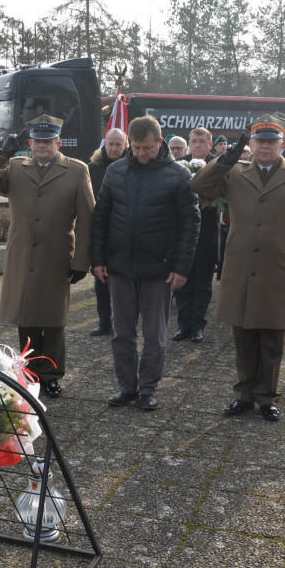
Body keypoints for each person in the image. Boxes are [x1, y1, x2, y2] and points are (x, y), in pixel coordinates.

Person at [192, 115, 285, 421]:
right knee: (243, 334)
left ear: (282, 144)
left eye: (271, 141)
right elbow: (199, 184)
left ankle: (267, 396)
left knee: (273, 337)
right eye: (259, 141)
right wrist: (227, 157)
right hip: (240, 266)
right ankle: (243, 394)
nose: (265, 146)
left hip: (279, 267)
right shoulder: (235, 172)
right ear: (250, 144)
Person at [0, 114, 94, 398]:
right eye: (38, 141)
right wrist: (2, 154)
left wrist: (81, 262)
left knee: (53, 322)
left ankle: (51, 375)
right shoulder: (15, 167)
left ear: (58, 143)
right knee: (26, 319)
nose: (42, 146)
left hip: (57, 257)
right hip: (22, 257)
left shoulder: (76, 171)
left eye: (48, 141)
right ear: (30, 143)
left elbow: (88, 219)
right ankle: (28, 373)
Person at [92, 116, 199, 411]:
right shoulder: (115, 171)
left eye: (148, 148)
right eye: (136, 147)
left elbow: (191, 224)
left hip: (159, 270)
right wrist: (98, 259)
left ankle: (149, 388)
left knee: (155, 335)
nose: (141, 153)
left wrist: (181, 267)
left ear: (160, 143)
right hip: (120, 268)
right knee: (122, 333)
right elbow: (100, 217)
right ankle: (126, 387)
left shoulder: (178, 175)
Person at [172, 127, 217, 342]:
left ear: (210, 144)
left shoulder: (218, 166)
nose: (197, 145)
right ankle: (183, 325)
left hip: (209, 232)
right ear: (188, 144)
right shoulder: (178, 166)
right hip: (183, 233)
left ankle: (198, 325)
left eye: (202, 141)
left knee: (202, 283)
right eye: (194, 141)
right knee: (182, 281)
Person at [87, 128, 128, 335]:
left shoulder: (132, 166)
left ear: (125, 145)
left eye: (118, 144)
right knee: (101, 278)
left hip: (124, 231)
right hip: (101, 230)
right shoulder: (93, 167)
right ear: (105, 144)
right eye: (110, 144)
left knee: (123, 281)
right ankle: (104, 321)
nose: (113, 148)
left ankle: (123, 322)